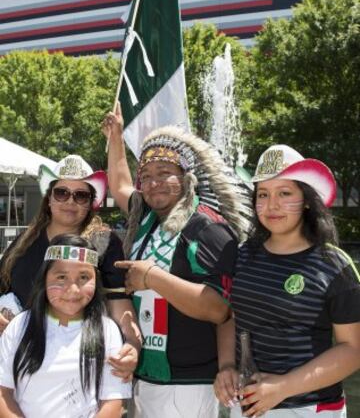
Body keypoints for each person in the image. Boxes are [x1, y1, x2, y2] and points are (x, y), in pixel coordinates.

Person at [102, 103, 252, 418]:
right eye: (147, 176)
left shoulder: (207, 226)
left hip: (188, 381)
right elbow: (119, 185)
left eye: (164, 173)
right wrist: (115, 137)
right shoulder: (146, 218)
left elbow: (218, 309)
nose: (154, 183)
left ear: (185, 178)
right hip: (146, 373)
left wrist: (152, 277)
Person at [214, 144, 360, 417]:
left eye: (285, 193)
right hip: (248, 405)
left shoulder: (335, 266)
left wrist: (282, 387)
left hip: (310, 408)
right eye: (263, 194)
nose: (272, 205)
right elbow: (230, 316)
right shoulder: (242, 255)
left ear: (306, 199)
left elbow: (352, 350)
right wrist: (226, 366)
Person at [0, 154, 141, 380]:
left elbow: (120, 305)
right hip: (19, 360)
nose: (70, 202)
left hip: (77, 364)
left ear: (91, 202)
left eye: (81, 195)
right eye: (62, 192)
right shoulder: (24, 241)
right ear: (49, 198)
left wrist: (133, 344)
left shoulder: (104, 242)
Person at [0, 234, 132, 417]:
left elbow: (112, 402)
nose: (73, 290)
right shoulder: (19, 326)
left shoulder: (107, 331)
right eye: (61, 277)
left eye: (84, 277)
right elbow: (3, 394)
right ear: (44, 278)